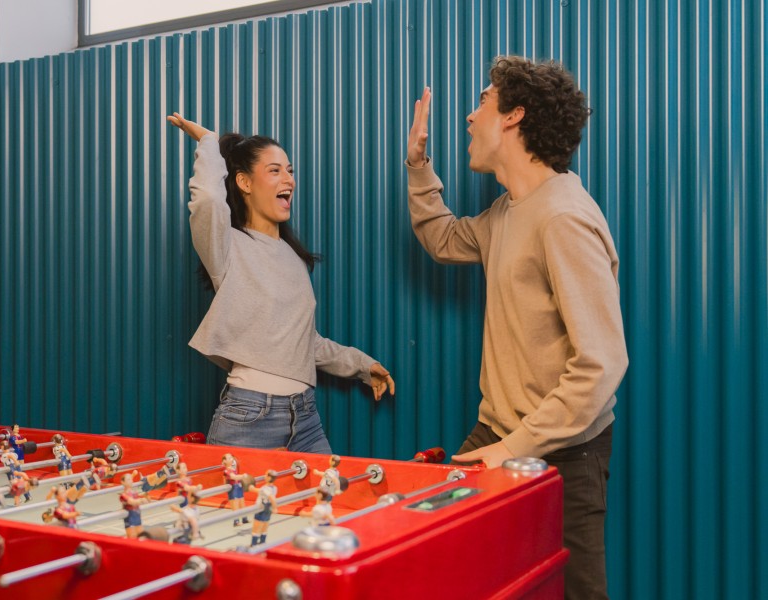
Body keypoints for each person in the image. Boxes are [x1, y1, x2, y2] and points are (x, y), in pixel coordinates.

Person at [405, 56, 628, 600]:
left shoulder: (563, 217)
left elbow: (602, 362)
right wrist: (418, 165)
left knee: (572, 592)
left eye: (483, 100)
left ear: (514, 116)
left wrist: (514, 448)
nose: (469, 115)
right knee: (468, 575)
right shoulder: (509, 211)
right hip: (498, 434)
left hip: (563, 452)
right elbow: (444, 238)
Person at [166, 113, 396, 453]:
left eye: (289, 170)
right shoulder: (227, 246)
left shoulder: (292, 258)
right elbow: (208, 201)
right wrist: (208, 142)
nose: (288, 178)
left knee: (327, 504)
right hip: (249, 417)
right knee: (240, 508)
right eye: (274, 170)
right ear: (244, 183)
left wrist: (362, 366)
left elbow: (306, 343)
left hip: (305, 418)